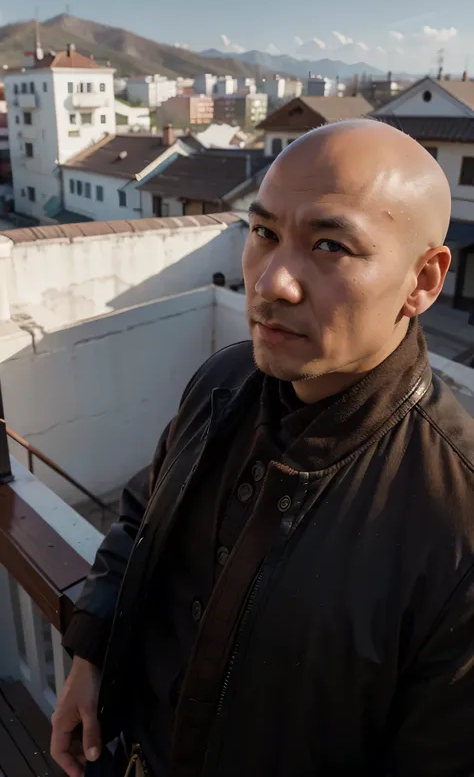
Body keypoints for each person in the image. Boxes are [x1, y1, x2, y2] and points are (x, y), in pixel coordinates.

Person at [52, 119, 474, 777]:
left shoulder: (454, 515)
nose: (271, 282)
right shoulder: (223, 383)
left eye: (330, 245)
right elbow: (141, 514)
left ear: (423, 278)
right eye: (264, 233)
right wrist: (91, 650)